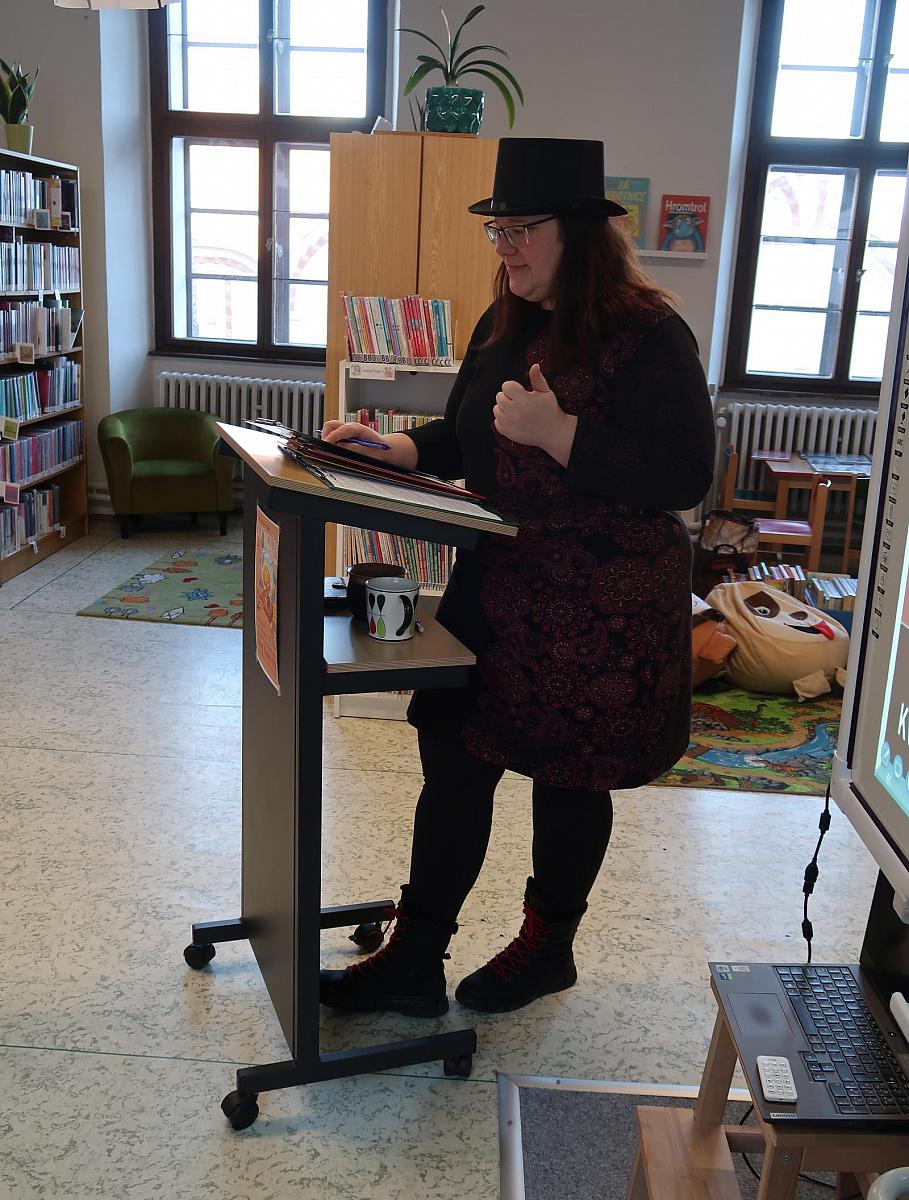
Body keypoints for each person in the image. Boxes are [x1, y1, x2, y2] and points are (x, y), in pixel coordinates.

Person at [319, 138, 715, 1016]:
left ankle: (547, 949)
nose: (505, 247)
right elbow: (464, 435)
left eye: (521, 229)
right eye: (496, 230)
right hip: (499, 584)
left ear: (579, 230)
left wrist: (562, 434)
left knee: (570, 778)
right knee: (453, 758)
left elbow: (686, 475)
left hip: (601, 609)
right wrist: (397, 448)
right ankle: (414, 956)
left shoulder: (649, 334)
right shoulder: (501, 322)